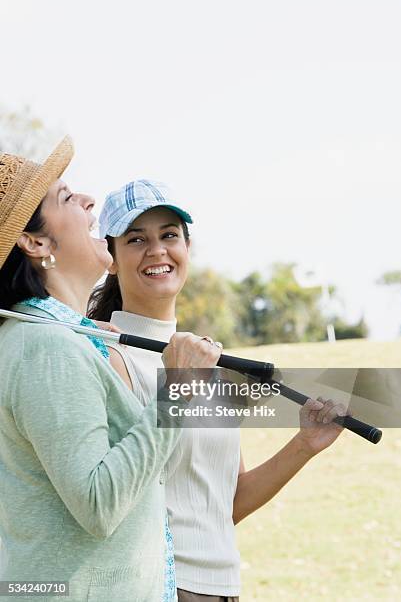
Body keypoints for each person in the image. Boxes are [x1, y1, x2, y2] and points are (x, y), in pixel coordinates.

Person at [89, 180, 348, 602]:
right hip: (156, 586)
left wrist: (304, 445)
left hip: (223, 589)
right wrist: (177, 389)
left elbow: (224, 507)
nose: (156, 250)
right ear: (111, 257)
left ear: (187, 247)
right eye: (136, 239)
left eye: (169, 235)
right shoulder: (103, 355)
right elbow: (111, 495)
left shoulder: (212, 363)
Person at [0, 141, 222, 602]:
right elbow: (100, 504)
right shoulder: (49, 347)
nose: (87, 200)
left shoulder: (62, 338)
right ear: (36, 242)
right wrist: (174, 392)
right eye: (65, 197)